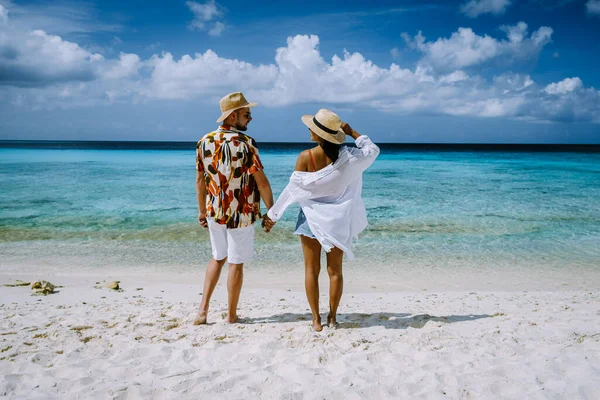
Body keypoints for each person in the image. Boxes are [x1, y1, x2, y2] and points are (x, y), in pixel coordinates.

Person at [263, 109, 379, 331]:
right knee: (335, 271)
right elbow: (373, 150)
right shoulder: (351, 157)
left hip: (309, 219)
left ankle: (316, 319)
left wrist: (273, 215)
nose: (309, 130)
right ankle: (333, 318)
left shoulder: (306, 157)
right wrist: (352, 132)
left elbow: (292, 190)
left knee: (311, 270)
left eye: (313, 128)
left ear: (319, 135)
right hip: (338, 221)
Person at [194, 92, 274, 325]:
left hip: (214, 211)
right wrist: (272, 211)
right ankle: (231, 315)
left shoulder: (204, 141)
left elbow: (200, 181)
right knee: (235, 262)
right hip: (240, 212)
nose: (250, 119)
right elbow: (262, 182)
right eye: (247, 114)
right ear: (232, 116)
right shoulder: (246, 144)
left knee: (217, 257)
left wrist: (201, 210)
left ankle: (202, 310)